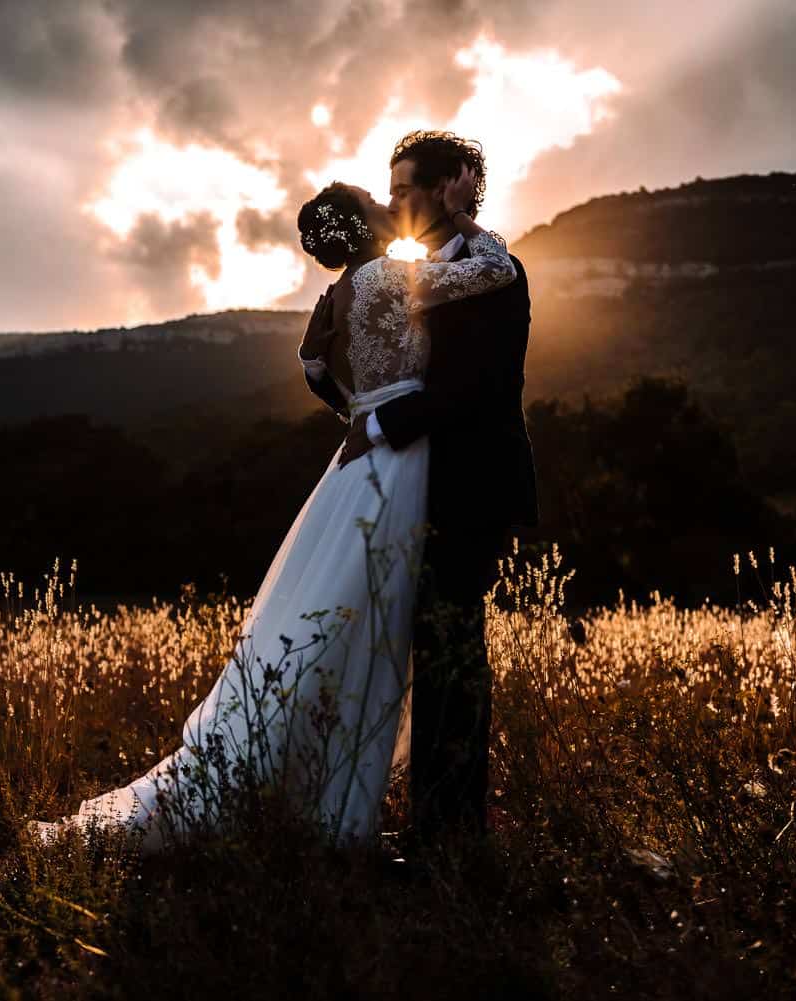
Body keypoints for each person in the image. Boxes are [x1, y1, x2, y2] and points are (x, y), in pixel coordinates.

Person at [30, 158, 519, 852]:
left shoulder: (333, 300)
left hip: (352, 461)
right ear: (367, 225)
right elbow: (495, 270)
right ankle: (339, 809)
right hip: (400, 460)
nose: (391, 208)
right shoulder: (396, 278)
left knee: (331, 616)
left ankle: (304, 786)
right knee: (370, 628)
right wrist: (470, 219)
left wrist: (361, 411)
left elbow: (315, 370)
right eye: (380, 205)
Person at [306, 131, 539, 844]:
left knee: (450, 655)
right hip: (399, 482)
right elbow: (335, 366)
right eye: (391, 191)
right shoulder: (403, 273)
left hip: (466, 485)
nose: (397, 201)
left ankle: (448, 834)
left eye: (407, 188)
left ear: (449, 186)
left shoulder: (495, 271)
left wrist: (372, 424)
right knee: (384, 647)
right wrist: (364, 416)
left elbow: (477, 386)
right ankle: (370, 812)